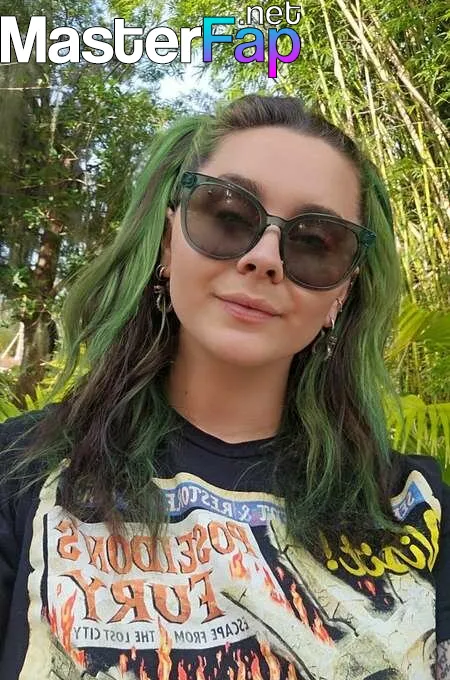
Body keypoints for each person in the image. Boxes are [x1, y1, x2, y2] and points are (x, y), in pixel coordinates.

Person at [0, 95, 448, 680]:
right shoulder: (22, 469)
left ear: (342, 291)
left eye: (316, 242)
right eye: (229, 216)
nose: (264, 258)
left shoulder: (413, 509)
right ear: (168, 243)